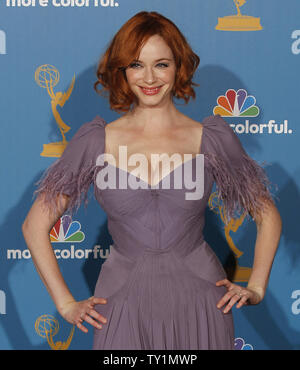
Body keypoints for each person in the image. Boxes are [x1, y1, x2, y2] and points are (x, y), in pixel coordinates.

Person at [22, 11, 282, 350]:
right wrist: (66, 304)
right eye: (136, 65)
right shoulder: (96, 141)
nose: (149, 77)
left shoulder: (210, 138)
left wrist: (257, 287)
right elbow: (34, 225)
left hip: (203, 302)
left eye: (161, 64)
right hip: (121, 303)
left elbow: (267, 215)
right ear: (122, 71)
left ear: (179, 67)